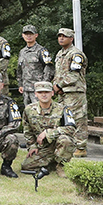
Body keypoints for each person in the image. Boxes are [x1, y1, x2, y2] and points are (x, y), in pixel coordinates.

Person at [21, 82, 76, 178]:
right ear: (35, 94)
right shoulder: (29, 110)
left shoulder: (63, 109)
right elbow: (27, 130)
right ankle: (52, 162)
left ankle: (62, 165)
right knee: (26, 166)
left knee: (65, 139)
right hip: (44, 147)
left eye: (46, 92)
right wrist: (32, 146)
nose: (43, 94)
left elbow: (71, 129)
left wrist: (48, 133)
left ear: (52, 93)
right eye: (40, 92)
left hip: (59, 145)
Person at [53, 27, 88, 157]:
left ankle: (81, 146)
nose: (61, 38)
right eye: (59, 36)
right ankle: (68, 145)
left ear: (71, 38)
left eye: (65, 36)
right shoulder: (59, 54)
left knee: (78, 119)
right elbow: (58, 74)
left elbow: (73, 75)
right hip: (63, 92)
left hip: (75, 92)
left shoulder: (76, 54)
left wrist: (58, 85)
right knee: (65, 119)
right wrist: (56, 88)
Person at [17, 24, 54, 106]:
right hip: (26, 89)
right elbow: (19, 69)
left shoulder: (41, 51)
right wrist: (20, 84)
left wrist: (44, 85)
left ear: (36, 35)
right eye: (26, 34)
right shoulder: (22, 52)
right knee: (28, 113)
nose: (28, 36)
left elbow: (49, 68)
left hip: (38, 90)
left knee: (40, 113)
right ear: (23, 35)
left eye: (31, 34)